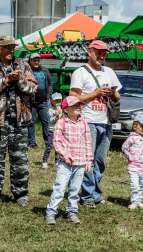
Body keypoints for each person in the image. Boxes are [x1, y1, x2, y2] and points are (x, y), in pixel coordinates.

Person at [0, 36, 38, 207]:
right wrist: (6, 80)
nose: (11, 50)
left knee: (20, 160)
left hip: (19, 121)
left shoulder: (22, 64)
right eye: (7, 47)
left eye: (13, 47)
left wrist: (19, 79)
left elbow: (33, 87)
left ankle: (20, 193)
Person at [69, 39, 122, 209]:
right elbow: (73, 97)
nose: (101, 56)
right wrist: (96, 93)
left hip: (106, 122)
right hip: (88, 121)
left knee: (100, 161)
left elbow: (118, 97)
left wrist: (111, 93)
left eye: (104, 53)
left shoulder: (109, 72)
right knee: (88, 161)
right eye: (98, 52)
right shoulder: (80, 72)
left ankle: (96, 194)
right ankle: (87, 196)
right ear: (89, 51)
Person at [45, 96, 93, 225]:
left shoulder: (83, 123)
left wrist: (89, 160)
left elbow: (88, 142)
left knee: (75, 189)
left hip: (81, 162)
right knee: (60, 187)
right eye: (74, 105)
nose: (78, 107)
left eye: (79, 105)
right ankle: (51, 212)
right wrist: (65, 156)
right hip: (65, 162)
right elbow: (57, 141)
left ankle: (72, 210)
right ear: (65, 109)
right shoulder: (61, 123)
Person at [121, 113, 143, 210]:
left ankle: (139, 201)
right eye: (142, 126)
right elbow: (124, 147)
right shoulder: (132, 138)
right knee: (135, 185)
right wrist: (130, 156)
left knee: (141, 185)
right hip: (133, 166)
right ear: (135, 126)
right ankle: (134, 202)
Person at [27, 53, 53, 149]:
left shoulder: (45, 70)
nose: (36, 62)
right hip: (31, 101)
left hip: (43, 102)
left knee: (46, 122)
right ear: (31, 61)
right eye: (34, 60)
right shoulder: (27, 71)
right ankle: (32, 143)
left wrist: (48, 95)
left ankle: (48, 142)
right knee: (31, 122)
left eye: (38, 60)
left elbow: (50, 83)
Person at [42, 92, 62, 169]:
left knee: (58, 147)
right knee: (49, 146)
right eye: (56, 101)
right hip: (51, 130)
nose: (58, 102)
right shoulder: (50, 110)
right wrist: (56, 116)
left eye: (59, 100)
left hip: (59, 130)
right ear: (52, 101)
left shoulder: (61, 110)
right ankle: (45, 161)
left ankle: (57, 161)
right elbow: (51, 121)